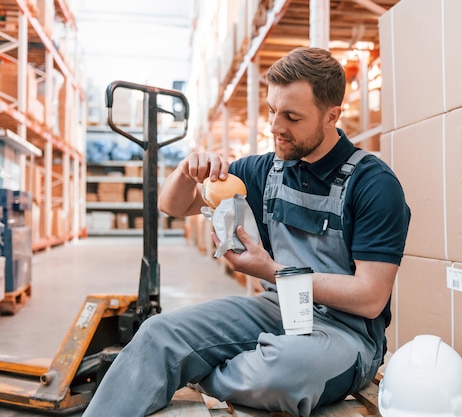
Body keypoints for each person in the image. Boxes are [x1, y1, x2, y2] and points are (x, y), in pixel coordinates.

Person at [82, 47, 410, 417]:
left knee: (284, 372)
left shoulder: (373, 184)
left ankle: (204, 368)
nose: (274, 126)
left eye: (291, 116)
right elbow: (173, 207)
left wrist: (273, 272)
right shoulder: (264, 171)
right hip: (276, 311)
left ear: (332, 115)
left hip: (346, 335)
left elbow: (370, 297)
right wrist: (188, 171)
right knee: (159, 333)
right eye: (271, 110)